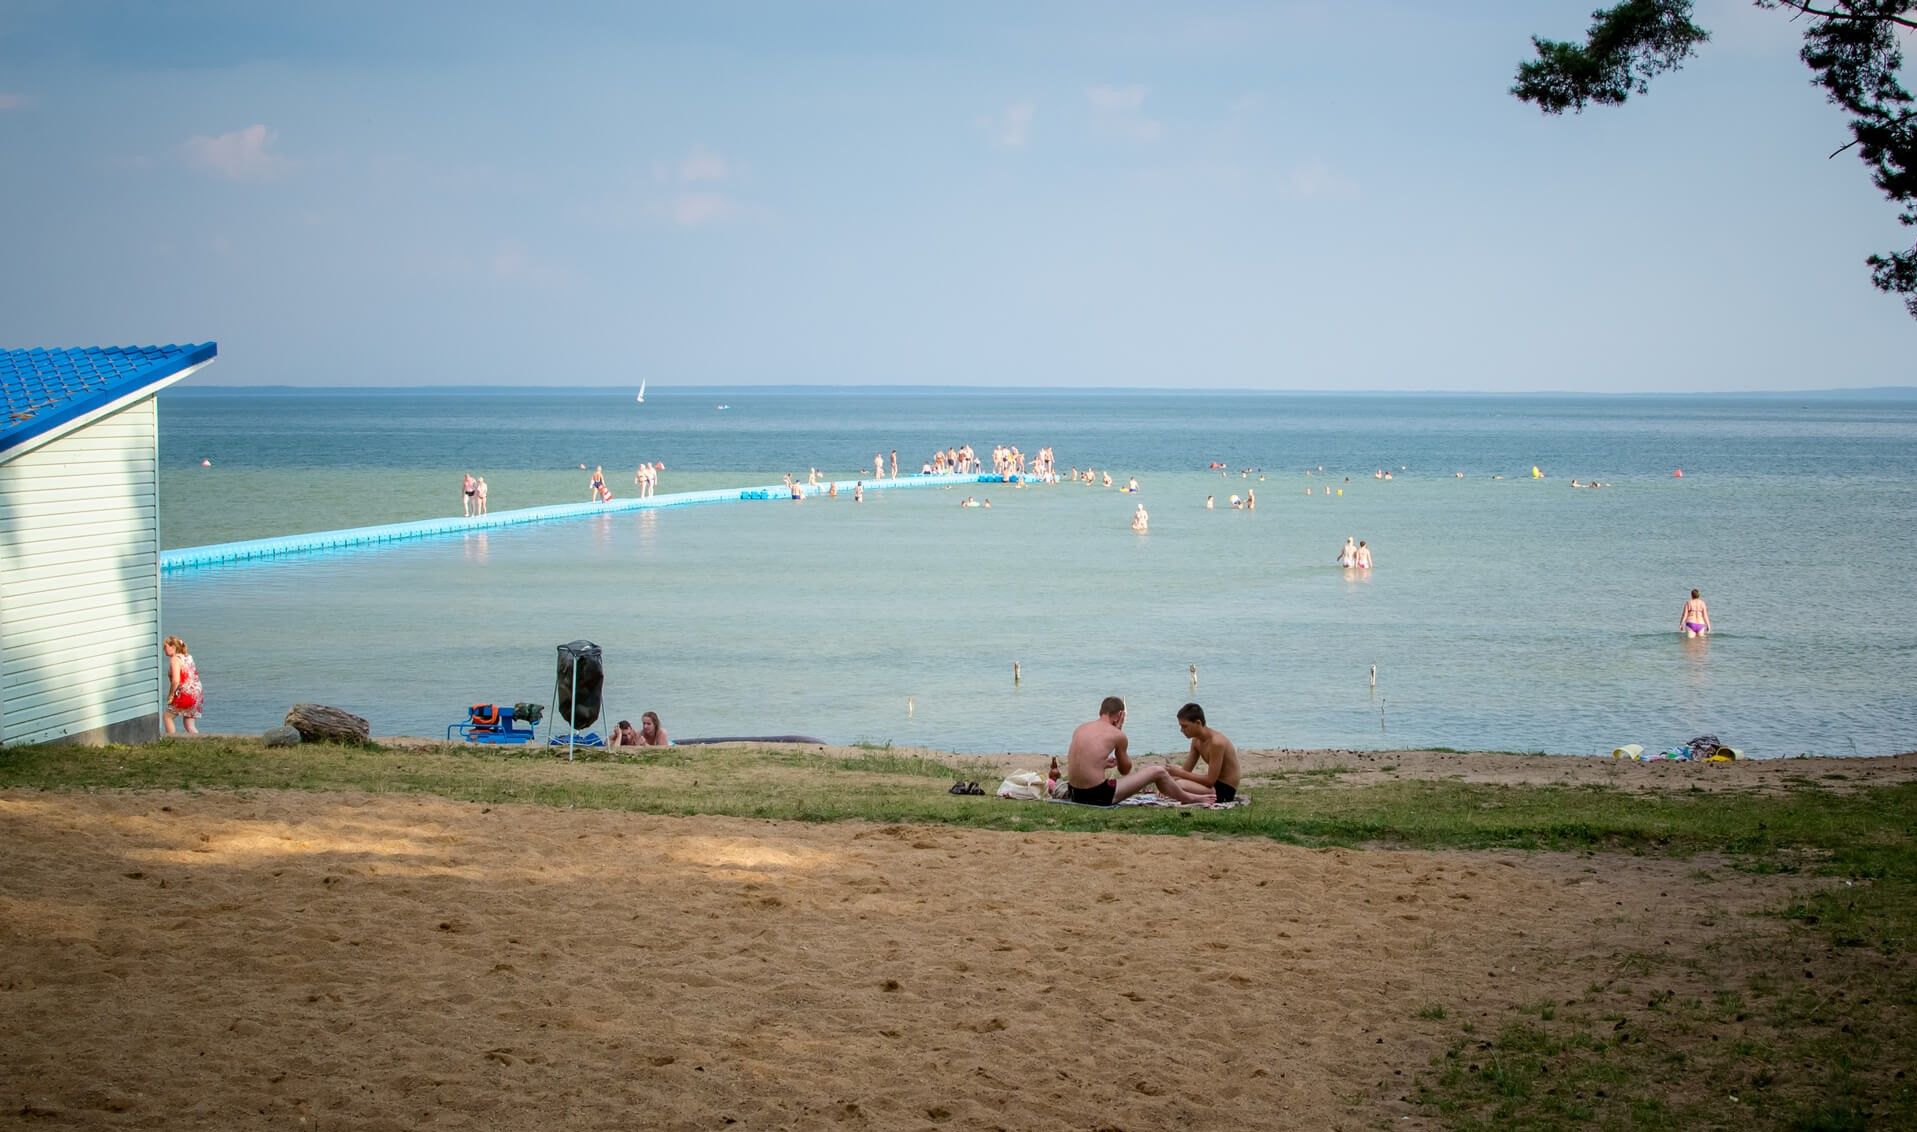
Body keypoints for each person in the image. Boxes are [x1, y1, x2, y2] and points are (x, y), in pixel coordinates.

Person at [1062, 697, 1214, 806]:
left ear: (1101, 711)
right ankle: (1190, 798)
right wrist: (1119, 732)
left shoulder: (1081, 728)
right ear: (1120, 715)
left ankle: (1187, 795)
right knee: (1158, 771)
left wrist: (1103, 763)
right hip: (1098, 795)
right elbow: (1125, 770)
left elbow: (1083, 762)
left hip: (1075, 793)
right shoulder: (1117, 735)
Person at [1167, 703, 1241, 803]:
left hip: (1224, 790)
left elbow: (1210, 781)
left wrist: (1178, 775)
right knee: (1174, 776)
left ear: (1198, 723)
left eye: (1185, 726)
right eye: (1181, 726)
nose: (1182, 730)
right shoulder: (1196, 740)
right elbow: (1186, 770)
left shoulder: (1216, 742)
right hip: (1213, 785)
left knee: (1180, 784)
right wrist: (1167, 783)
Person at [162, 635, 203, 736]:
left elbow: (176, 681)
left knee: (167, 717)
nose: (164, 649)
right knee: (189, 724)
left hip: (186, 693)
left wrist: (171, 695)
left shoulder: (175, 659)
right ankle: (198, 740)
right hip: (196, 694)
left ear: (173, 647)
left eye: (165, 646)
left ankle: (171, 740)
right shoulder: (187, 656)